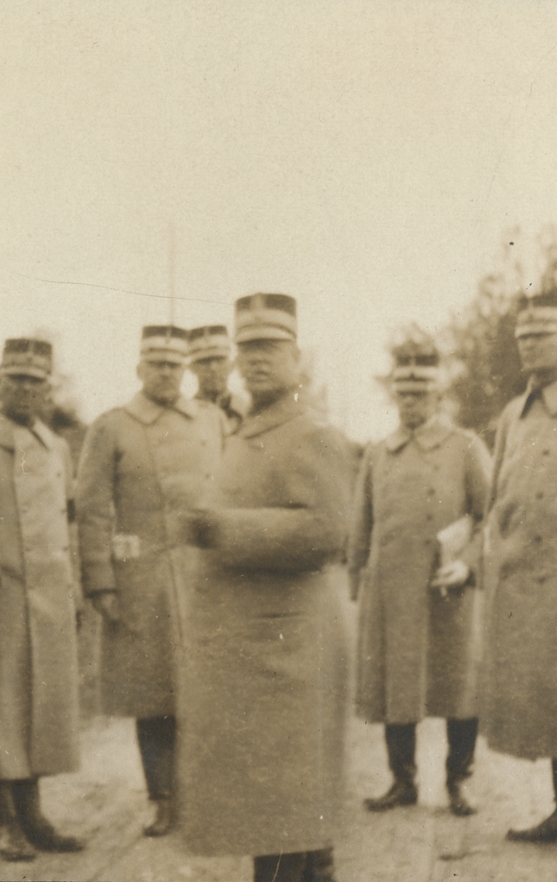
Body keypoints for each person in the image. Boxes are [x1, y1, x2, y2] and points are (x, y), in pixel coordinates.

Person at [180, 293, 352, 882]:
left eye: (270, 348)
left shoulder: (312, 432)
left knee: (282, 812)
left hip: (289, 654)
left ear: (297, 358)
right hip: (259, 651)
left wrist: (224, 529)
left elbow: (327, 531)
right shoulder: (249, 428)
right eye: (247, 347)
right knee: (278, 812)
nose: (254, 359)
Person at [75, 325, 226, 838]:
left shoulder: (210, 420)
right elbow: (93, 509)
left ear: (185, 369)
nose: (166, 373)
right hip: (145, 582)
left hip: (204, 578)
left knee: (205, 692)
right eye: (156, 364)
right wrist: (101, 583)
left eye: (174, 365)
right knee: (154, 697)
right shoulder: (113, 427)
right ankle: (162, 799)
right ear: (139, 369)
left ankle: (203, 794)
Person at [0, 337, 84, 862]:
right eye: (17, 379)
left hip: (49, 597)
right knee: (0, 707)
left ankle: (34, 816)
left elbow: (67, 525)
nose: (26, 389)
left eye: (36, 381)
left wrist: (72, 589)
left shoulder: (57, 447)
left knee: (40, 709)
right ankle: (3, 822)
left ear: (48, 389)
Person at [347, 334, 491, 817]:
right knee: (398, 686)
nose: (410, 403)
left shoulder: (466, 446)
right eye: (403, 394)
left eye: (420, 394)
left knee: (459, 688)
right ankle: (402, 781)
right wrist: (357, 578)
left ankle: (459, 781)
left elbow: (491, 517)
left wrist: (468, 564)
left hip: (448, 588)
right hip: (392, 591)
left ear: (437, 396)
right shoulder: (378, 453)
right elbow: (362, 520)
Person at [480, 289, 557, 843]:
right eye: (523, 336)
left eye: (543, 334)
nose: (530, 344)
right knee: (548, 702)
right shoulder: (513, 415)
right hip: (529, 589)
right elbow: (494, 499)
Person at [188, 324, 244, 431]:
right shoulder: (186, 415)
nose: (213, 368)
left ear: (232, 365)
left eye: (219, 360)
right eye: (204, 361)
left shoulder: (246, 410)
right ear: (192, 368)